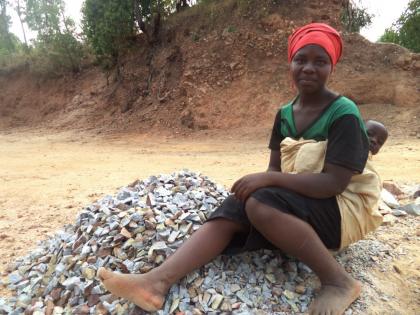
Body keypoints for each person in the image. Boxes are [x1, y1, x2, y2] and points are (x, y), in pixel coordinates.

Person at [98, 23, 383, 315]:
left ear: (331, 68)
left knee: (260, 202)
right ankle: (156, 283)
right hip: (307, 207)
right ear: (290, 64)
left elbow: (333, 183)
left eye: (319, 61)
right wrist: (258, 187)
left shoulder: (344, 113)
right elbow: (277, 170)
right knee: (240, 202)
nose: (308, 68)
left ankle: (338, 282)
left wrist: (266, 181)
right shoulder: (284, 115)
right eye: (301, 60)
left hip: (340, 210)